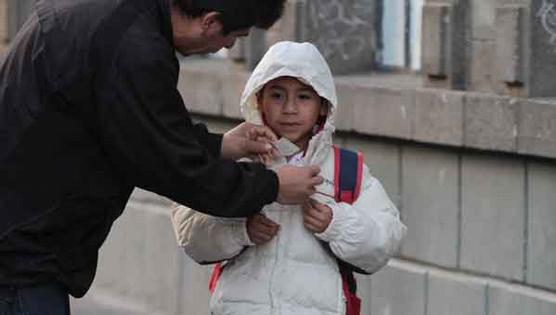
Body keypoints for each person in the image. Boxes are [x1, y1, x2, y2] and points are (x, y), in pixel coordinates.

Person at [0, 0, 325, 314]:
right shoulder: (134, 49)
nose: (224, 48)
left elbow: (139, 129)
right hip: (23, 258)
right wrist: (272, 185)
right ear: (210, 21)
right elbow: (176, 169)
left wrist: (221, 145)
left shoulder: (114, 18)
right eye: (233, 37)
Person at [172, 41, 407, 315]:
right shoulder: (239, 156)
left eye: (304, 97)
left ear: (323, 105)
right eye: (277, 96)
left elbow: (386, 239)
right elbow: (188, 232)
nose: (290, 109)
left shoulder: (346, 169)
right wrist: (240, 230)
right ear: (258, 100)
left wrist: (336, 223)